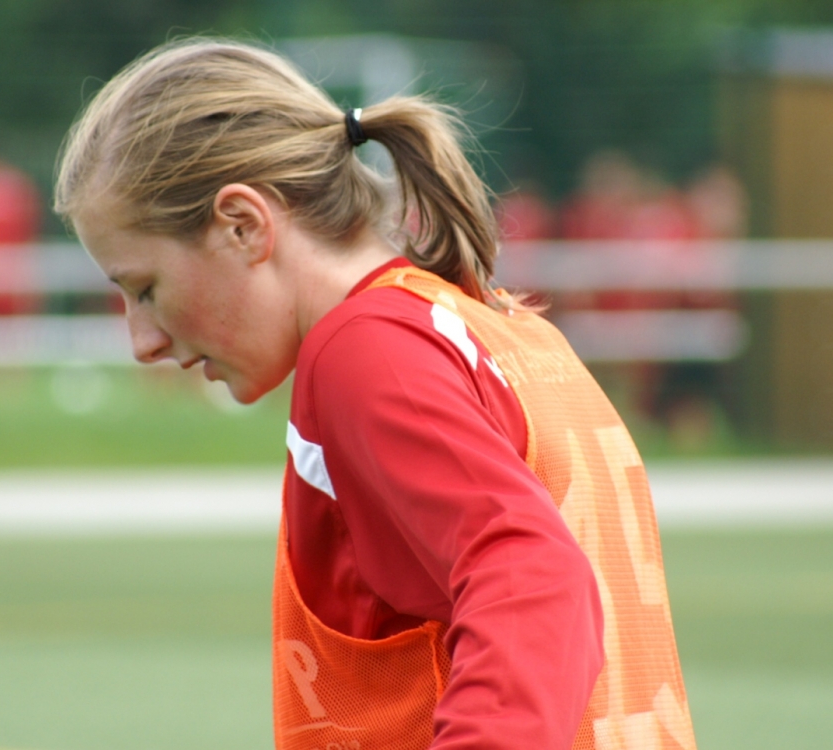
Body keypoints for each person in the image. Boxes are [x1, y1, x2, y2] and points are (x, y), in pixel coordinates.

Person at [54, 39, 696, 750]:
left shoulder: (365, 350)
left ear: (243, 224)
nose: (141, 341)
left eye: (145, 289)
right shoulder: (497, 327)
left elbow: (533, 581)